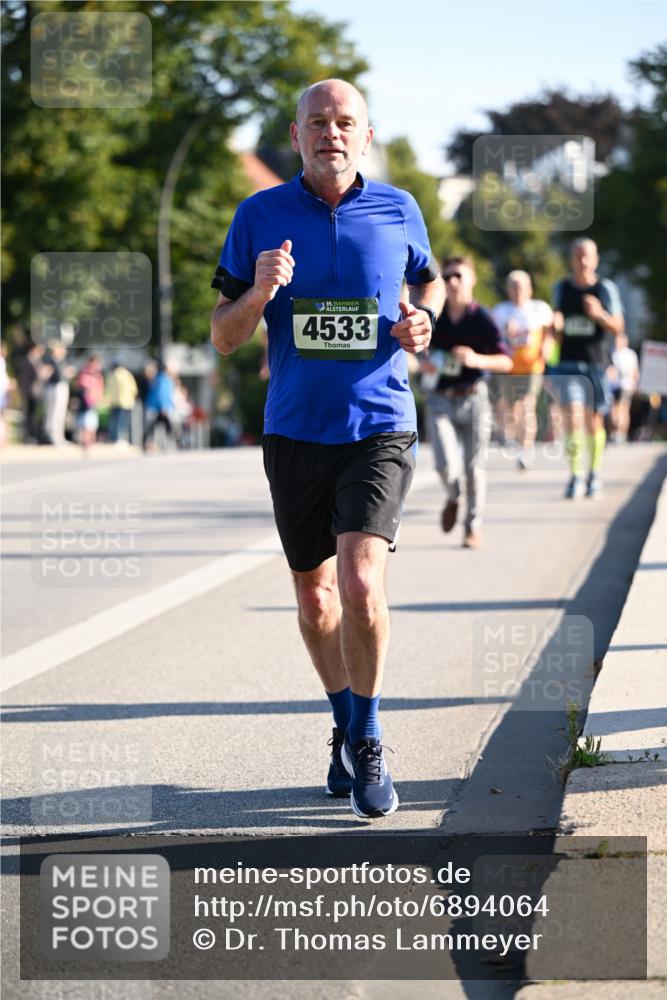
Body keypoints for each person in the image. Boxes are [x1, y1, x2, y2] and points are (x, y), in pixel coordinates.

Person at [210, 79, 445, 818]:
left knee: (359, 584)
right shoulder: (260, 215)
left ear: (365, 136)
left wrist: (422, 324)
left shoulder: (399, 210)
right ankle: (342, 722)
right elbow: (222, 335)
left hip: (378, 424)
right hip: (293, 431)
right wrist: (257, 293)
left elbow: (429, 287)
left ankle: (368, 736)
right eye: (318, 122)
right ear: (296, 134)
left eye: (345, 122)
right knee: (315, 600)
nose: (331, 133)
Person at [421, 256, 511, 549]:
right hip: (440, 399)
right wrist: (424, 362)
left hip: (474, 398)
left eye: (458, 276)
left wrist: (476, 359)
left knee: (475, 468)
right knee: (445, 465)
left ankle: (473, 527)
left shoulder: (481, 318)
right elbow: (418, 348)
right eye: (446, 277)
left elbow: (506, 361)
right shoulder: (437, 315)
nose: (453, 282)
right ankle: (453, 495)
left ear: (472, 279)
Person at [552, 238, 624, 498]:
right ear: (571, 259)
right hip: (568, 363)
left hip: (596, 362)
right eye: (577, 256)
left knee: (594, 421)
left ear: (595, 260)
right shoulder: (561, 287)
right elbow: (557, 316)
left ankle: (594, 472)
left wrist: (600, 315)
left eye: (587, 256)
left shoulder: (605, 289)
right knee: (572, 417)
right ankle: (575, 475)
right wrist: (556, 323)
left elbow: (618, 326)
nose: (582, 261)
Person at [491, 271, 554, 470]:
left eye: (521, 285)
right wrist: (505, 333)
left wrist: (547, 348)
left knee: (528, 404)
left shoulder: (539, 309)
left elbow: (550, 334)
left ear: (529, 288)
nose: (518, 290)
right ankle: (517, 442)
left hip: (532, 367)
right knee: (512, 410)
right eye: (514, 286)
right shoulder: (500, 311)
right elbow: (492, 340)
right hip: (508, 367)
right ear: (508, 289)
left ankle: (525, 449)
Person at [608, 334, 639, 443]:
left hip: (626, 385)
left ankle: (620, 433)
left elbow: (635, 372)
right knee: (615, 410)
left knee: (623, 409)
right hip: (614, 386)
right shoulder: (613, 352)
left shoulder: (629, 354)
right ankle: (616, 432)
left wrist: (634, 385)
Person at [16, 343, 47, 443]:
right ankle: (28, 437)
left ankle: (34, 435)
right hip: (29, 392)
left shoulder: (37, 361)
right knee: (29, 415)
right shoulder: (26, 361)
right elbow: (25, 379)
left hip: (37, 392)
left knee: (34, 415)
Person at [42, 340, 72, 447]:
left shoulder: (63, 361)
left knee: (61, 413)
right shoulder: (50, 360)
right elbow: (44, 374)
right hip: (53, 387)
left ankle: (59, 436)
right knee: (53, 413)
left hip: (62, 386)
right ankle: (52, 436)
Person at [143, 361, 176, 450]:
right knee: (157, 427)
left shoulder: (161, 379)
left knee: (155, 427)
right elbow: (162, 394)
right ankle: (153, 445)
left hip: (156, 407)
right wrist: (164, 406)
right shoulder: (164, 379)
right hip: (157, 407)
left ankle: (152, 444)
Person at [75, 355, 104, 450]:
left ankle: (91, 442)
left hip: (94, 402)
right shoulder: (85, 374)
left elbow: (99, 388)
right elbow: (83, 388)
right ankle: (85, 441)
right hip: (86, 402)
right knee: (86, 423)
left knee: (92, 423)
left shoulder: (97, 375)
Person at [106, 358, 138, 444]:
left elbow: (108, 389)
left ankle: (113, 439)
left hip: (114, 402)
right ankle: (120, 439)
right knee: (122, 422)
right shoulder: (126, 374)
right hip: (125, 402)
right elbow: (133, 388)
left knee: (114, 421)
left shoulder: (111, 374)